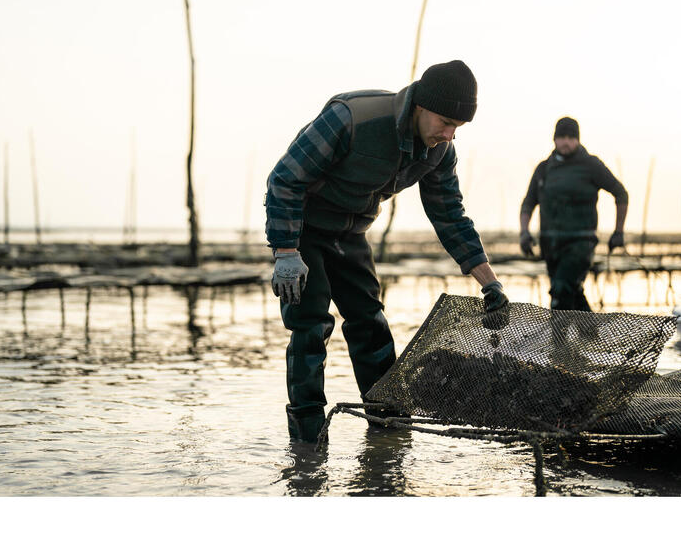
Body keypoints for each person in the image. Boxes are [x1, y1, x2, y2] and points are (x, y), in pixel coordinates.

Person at [264, 60, 508, 443]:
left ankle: (387, 429)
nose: (449, 135)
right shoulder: (351, 118)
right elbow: (284, 180)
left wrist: (490, 283)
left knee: (371, 324)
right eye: (445, 122)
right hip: (304, 230)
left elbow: (450, 217)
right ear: (421, 106)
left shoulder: (438, 152)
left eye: (457, 128)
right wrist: (286, 252)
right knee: (310, 327)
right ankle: (307, 440)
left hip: (351, 233)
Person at [519, 116, 628, 311]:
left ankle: (556, 342)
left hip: (580, 244)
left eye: (571, 137)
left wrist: (618, 231)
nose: (566, 141)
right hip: (551, 246)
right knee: (573, 293)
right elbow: (528, 204)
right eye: (561, 137)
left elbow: (621, 194)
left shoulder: (591, 165)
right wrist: (524, 233)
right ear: (554, 139)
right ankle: (592, 337)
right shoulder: (544, 169)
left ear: (578, 139)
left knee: (561, 291)